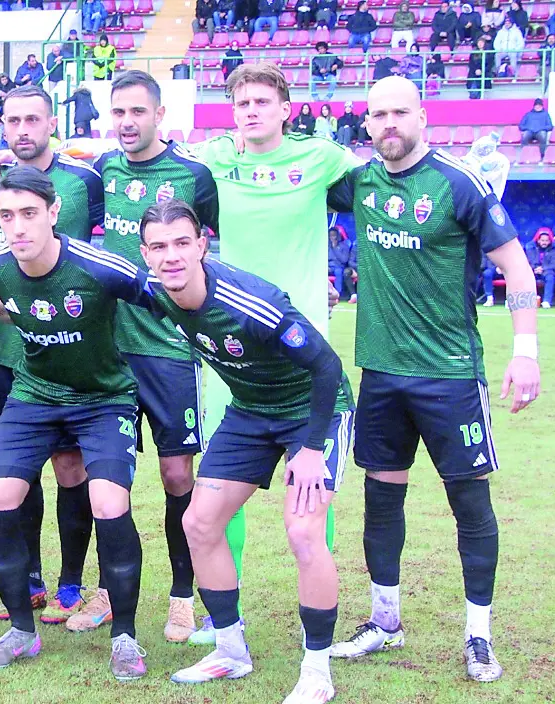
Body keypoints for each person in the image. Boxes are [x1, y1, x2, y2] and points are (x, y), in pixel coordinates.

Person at [327, 75, 541, 684]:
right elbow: (293, 189)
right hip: (381, 373)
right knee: (380, 498)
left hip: (450, 375)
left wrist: (525, 352)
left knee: (469, 503)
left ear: (422, 116)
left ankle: (479, 635)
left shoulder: (458, 183)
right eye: (378, 115)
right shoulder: (359, 182)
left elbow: (517, 266)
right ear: (366, 124)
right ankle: (384, 621)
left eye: (400, 112)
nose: (388, 124)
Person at [144, 200, 355, 704]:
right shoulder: (153, 290)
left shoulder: (252, 302)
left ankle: (316, 670)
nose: (171, 256)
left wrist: (311, 449)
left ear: (202, 245)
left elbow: (327, 367)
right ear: (146, 254)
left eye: (182, 243)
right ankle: (230, 650)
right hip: (250, 412)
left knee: (304, 532)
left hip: (313, 411)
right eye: (159, 246)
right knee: (199, 523)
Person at [185, 63, 363, 646]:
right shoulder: (215, 159)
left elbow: (383, 177)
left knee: (310, 495)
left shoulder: (320, 157)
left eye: (262, 101)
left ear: (286, 109)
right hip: (232, 354)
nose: (251, 111)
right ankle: (221, 617)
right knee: (218, 488)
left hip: (301, 350)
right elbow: (152, 161)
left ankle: (318, 608)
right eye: (242, 103)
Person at [0, 167, 154, 680]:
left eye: (29, 213)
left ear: (53, 213)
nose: (18, 226)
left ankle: (125, 636)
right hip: (35, 396)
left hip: (103, 399)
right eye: (6, 216)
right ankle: (21, 630)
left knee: (108, 501)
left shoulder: (99, 267)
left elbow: (167, 296)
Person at [89, 70, 219, 643]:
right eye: (118, 111)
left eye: (137, 111)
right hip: (111, 350)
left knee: (175, 474)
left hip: (169, 349)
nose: (127, 122)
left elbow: (222, 244)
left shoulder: (193, 175)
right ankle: (103, 591)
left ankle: (182, 596)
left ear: (160, 115)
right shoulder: (103, 170)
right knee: (104, 477)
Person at [0, 83, 105, 626]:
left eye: (33, 119)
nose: (23, 129)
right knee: (17, 469)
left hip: (72, 353)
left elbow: (102, 255)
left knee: (71, 466)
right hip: (9, 353)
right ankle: (29, 578)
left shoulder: (84, 181)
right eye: (13, 120)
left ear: (52, 122)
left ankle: (71, 582)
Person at [524, 228, 555, 306]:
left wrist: (543, 268)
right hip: (533, 270)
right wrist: (535, 268)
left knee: (550, 277)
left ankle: (546, 301)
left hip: (548, 271)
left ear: (550, 241)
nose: (544, 242)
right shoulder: (531, 248)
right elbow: (528, 261)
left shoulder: (554, 249)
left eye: (546, 241)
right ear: (538, 240)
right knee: (526, 276)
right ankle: (527, 300)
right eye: (542, 240)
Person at [327, 226, 357, 300]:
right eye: (330, 236)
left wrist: (335, 248)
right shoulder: (326, 246)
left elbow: (344, 260)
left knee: (338, 272)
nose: (332, 238)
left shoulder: (344, 246)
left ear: (338, 236)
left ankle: (338, 294)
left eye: (334, 235)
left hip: (339, 267)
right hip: (328, 267)